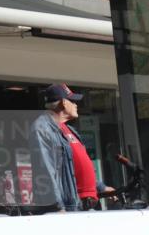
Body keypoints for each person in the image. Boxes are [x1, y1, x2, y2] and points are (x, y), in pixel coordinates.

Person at [29, 84, 112, 212]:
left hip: (86, 204)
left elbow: (77, 166)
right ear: (63, 103)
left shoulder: (69, 130)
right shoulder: (42, 128)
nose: (76, 105)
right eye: (73, 101)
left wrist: (101, 188)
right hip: (70, 207)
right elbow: (45, 171)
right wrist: (56, 207)